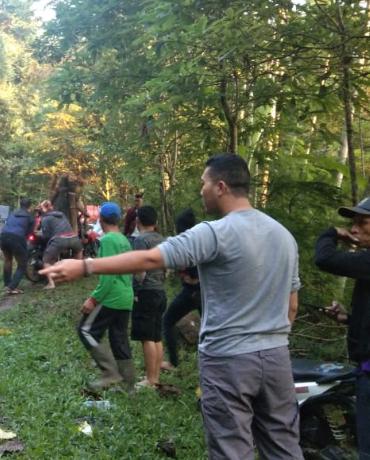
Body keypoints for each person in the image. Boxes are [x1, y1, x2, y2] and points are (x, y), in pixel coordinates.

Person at [44, 153, 302, 460]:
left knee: (233, 448)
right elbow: (292, 307)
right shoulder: (284, 236)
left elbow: (154, 257)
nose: (201, 190)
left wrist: (85, 266)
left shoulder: (215, 232)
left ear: (220, 186)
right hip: (277, 359)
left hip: (229, 359)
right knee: (283, 446)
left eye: (203, 183)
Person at [314, 196, 370, 460]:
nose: (354, 230)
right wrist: (349, 319)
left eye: (363, 223)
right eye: (352, 224)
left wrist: (333, 233)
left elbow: (325, 258)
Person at [77, 202, 135, 391]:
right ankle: (128, 385)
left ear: (101, 219)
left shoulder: (108, 240)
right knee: (119, 338)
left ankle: (110, 373)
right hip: (126, 296)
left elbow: (108, 276)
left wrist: (93, 299)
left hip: (113, 296)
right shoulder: (124, 240)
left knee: (85, 330)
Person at [131, 205, 166, 387]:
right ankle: (155, 375)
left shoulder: (141, 241)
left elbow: (139, 270)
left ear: (138, 221)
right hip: (160, 291)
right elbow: (168, 268)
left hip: (146, 292)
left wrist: (135, 291)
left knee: (147, 337)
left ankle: (150, 379)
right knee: (156, 335)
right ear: (156, 223)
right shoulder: (163, 240)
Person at [160, 209, 199, 372]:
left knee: (167, 321)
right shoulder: (201, 240)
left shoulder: (187, 242)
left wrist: (194, 278)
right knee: (210, 327)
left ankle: (173, 363)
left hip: (192, 292)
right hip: (204, 293)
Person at [36, 200, 82, 291]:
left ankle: (51, 283)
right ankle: (78, 273)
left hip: (60, 240)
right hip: (73, 238)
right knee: (79, 250)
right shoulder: (61, 214)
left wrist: (38, 234)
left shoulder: (45, 218)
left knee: (46, 259)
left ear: (42, 210)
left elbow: (47, 235)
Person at [0, 197, 35, 295]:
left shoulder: (13, 213)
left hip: (3, 236)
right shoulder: (30, 217)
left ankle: (7, 284)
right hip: (16, 239)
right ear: (30, 206)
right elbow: (29, 234)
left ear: (20, 205)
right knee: (22, 265)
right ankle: (11, 288)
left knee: (7, 260)